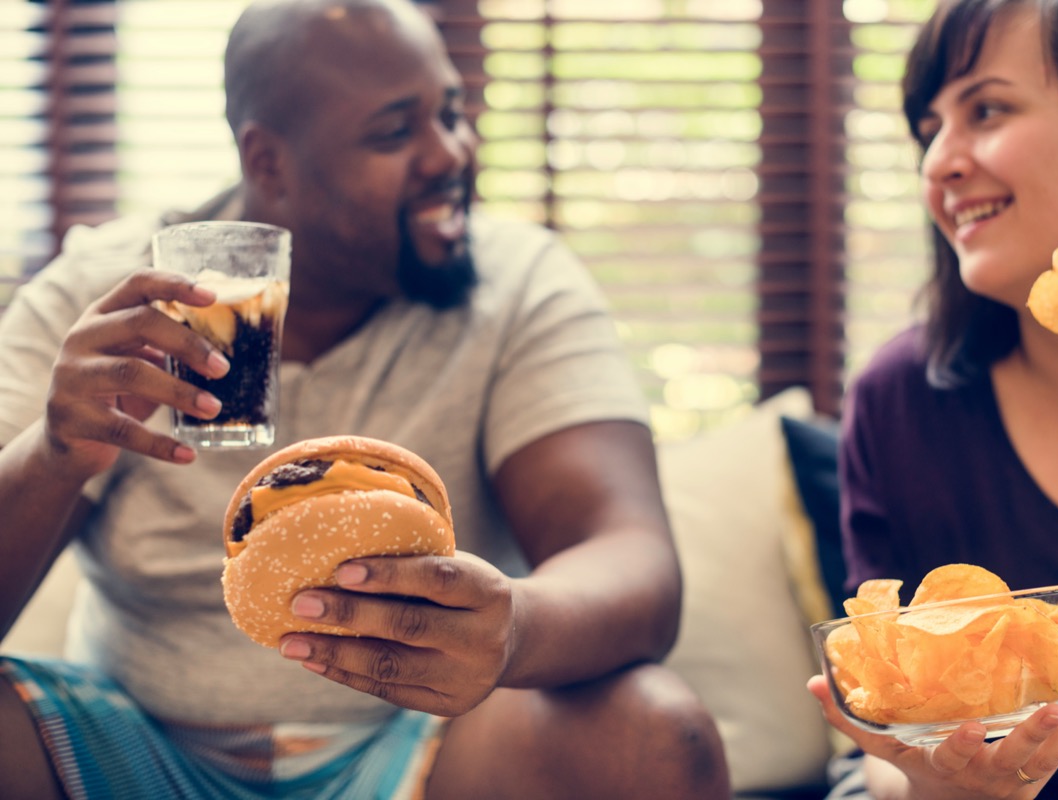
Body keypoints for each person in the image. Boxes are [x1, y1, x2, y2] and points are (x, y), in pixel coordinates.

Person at [0, 1, 732, 798]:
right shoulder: (102, 298)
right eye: (394, 133)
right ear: (269, 162)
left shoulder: (520, 283)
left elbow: (633, 561)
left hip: (422, 750)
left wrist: (513, 628)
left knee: (659, 732)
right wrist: (54, 453)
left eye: (452, 113)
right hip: (131, 744)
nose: (450, 153)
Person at [806, 0, 1058, 797]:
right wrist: (952, 785)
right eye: (928, 129)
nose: (940, 163)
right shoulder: (897, 402)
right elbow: (890, 746)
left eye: (987, 109)